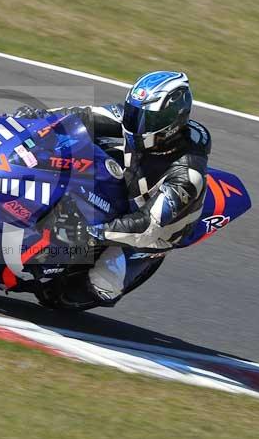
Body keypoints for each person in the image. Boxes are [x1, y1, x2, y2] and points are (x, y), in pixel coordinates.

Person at [13, 71, 211, 307]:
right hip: (128, 180)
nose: (135, 123)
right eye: (135, 112)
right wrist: (39, 119)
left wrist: (94, 232)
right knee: (70, 148)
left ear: (171, 122)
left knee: (101, 285)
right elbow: (82, 116)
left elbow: (148, 225)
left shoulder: (187, 175)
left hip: (150, 230)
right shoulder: (133, 121)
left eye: (147, 119)